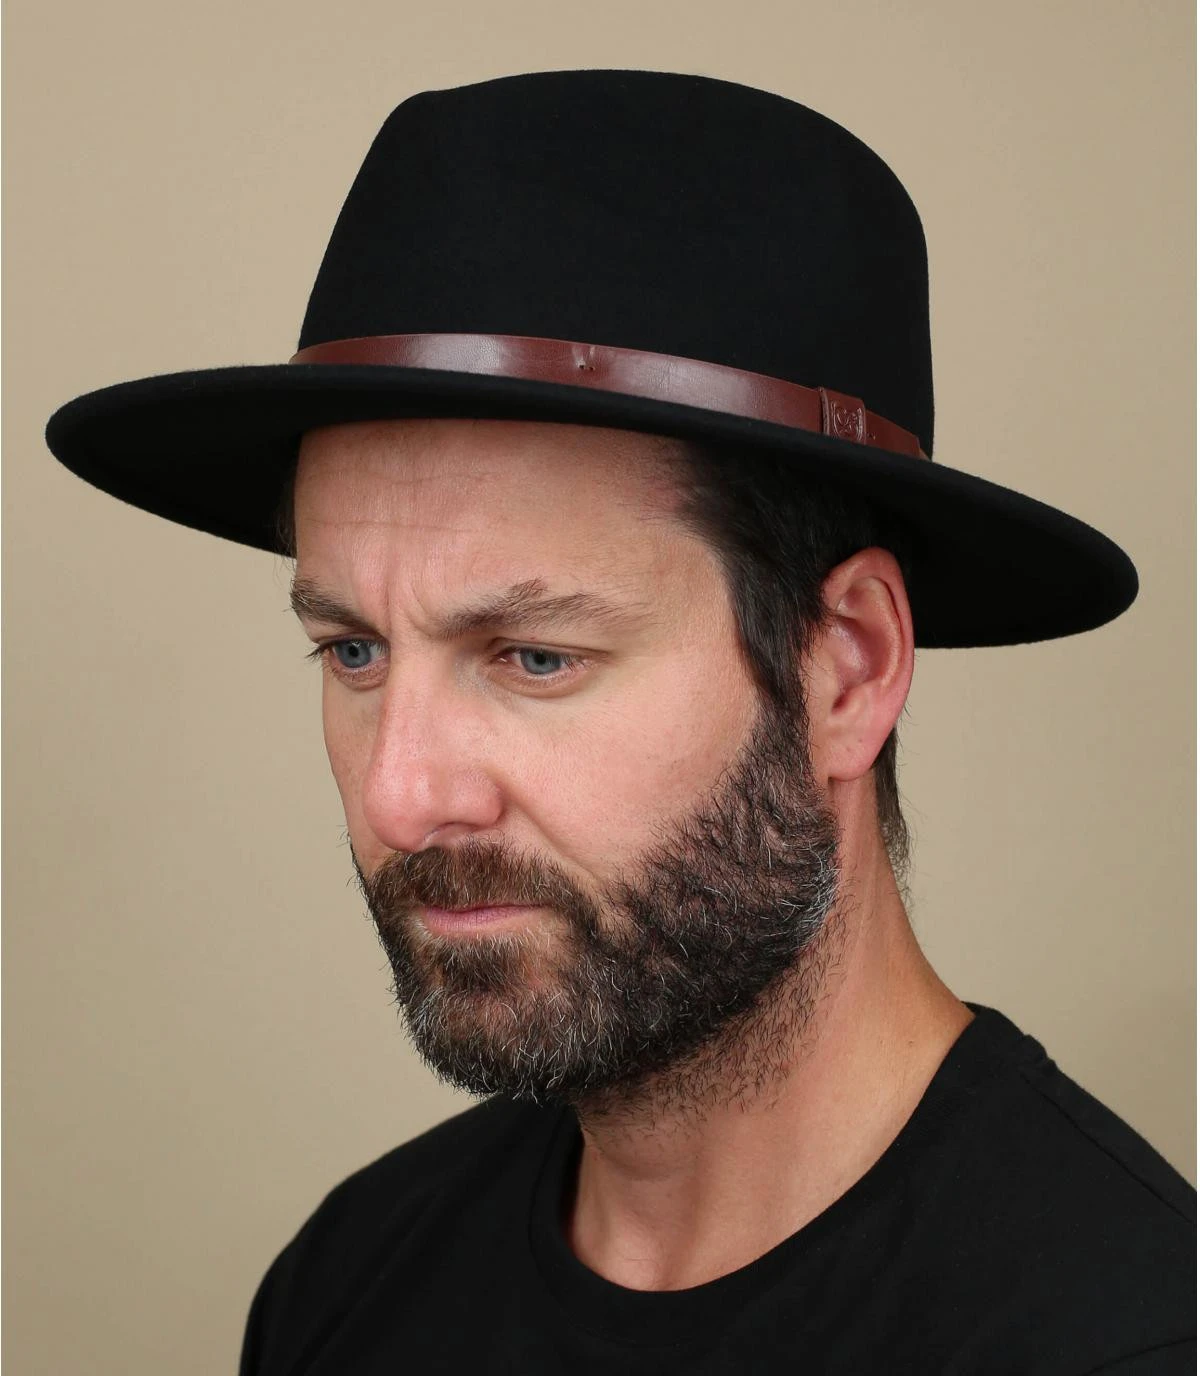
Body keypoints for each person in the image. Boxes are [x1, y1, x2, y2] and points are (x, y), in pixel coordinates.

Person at [46, 69, 1193, 1374]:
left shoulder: (1124, 1338)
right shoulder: (352, 1285)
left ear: (849, 671)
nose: (401, 797)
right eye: (353, 650)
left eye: (535, 656)